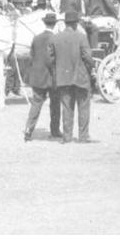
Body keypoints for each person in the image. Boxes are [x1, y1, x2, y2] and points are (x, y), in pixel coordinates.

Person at [53, 8, 95, 143]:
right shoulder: (81, 37)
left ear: (65, 23)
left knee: (66, 107)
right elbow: (87, 57)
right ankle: (83, 137)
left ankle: (67, 137)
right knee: (83, 107)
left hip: (63, 77)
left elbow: (50, 59)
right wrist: (92, 66)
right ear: (76, 23)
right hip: (80, 77)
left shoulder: (56, 38)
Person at [23, 11, 61, 141]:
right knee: (55, 104)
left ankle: (28, 129)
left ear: (44, 23)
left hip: (37, 77)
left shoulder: (36, 38)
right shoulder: (56, 38)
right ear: (55, 24)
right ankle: (55, 130)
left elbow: (31, 56)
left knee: (36, 104)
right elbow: (55, 59)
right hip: (52, 77)